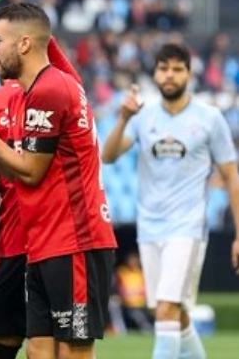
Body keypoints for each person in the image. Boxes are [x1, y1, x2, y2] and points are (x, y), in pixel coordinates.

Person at [0, 2, 117, 359]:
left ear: (25, 44)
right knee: (39, 349)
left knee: (74, 350)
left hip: (74, 238)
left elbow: (29, 170)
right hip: (42, 240)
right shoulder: (58, 84)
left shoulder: (47, 91)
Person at [101, 42, 239, 359]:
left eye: (177, 69)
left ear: (189, 74)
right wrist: (123, 118)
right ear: (155, 74)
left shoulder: (210, 118)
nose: (170, 75)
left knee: (165, 310)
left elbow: (231, 176)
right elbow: (107, 156)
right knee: (176, 314)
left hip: (187, 229)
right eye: (164, 69)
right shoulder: (142, 116)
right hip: (149, 229)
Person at [0, 36, 83, 359]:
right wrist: (39, 33)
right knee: (60, 347)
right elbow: (75, 82)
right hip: (60, 241)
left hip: (14, 242)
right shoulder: (61, 94)